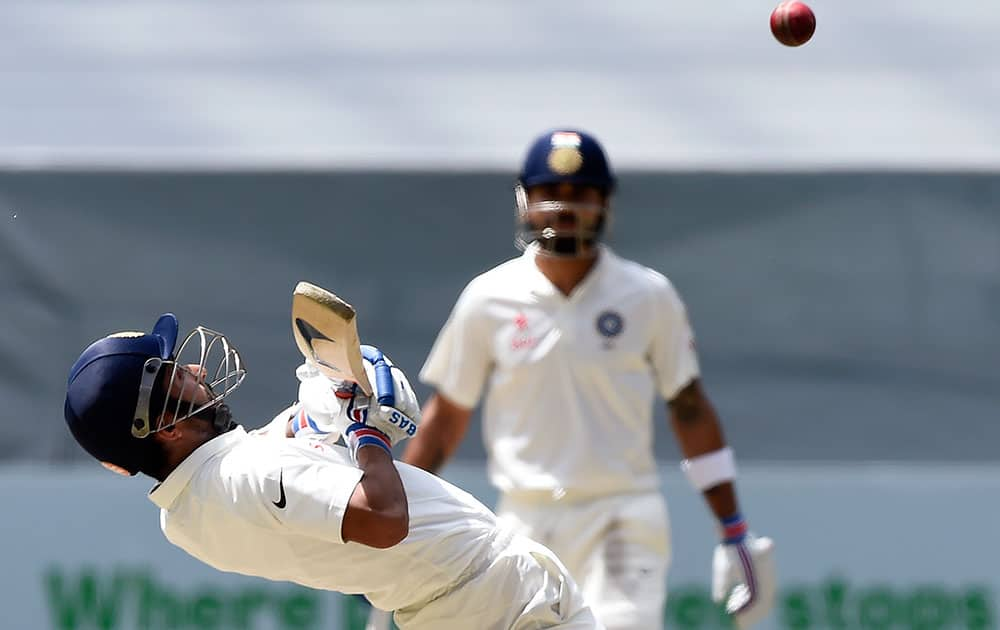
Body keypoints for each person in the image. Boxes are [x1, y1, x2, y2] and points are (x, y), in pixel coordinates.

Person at [402, 128, 777, 630]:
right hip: (524, 521)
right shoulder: (488, 297)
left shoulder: (646, 295)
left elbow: (688, 408)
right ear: (525, 201)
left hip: (621, 516)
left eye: (580, 195)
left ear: (604, 203)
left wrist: (733, 529)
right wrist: (399, 528)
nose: (563, 209)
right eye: (549, 194)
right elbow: (445, 420)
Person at [62, 313, 604, 630]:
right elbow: (384, 519)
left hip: (456, 609)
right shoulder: (250, 473)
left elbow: (287, 448)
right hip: (505, 609)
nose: (198, 369)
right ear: (166, 429)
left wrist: (333, 389)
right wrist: (367, 433)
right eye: (178, 374)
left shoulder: (184, 516)